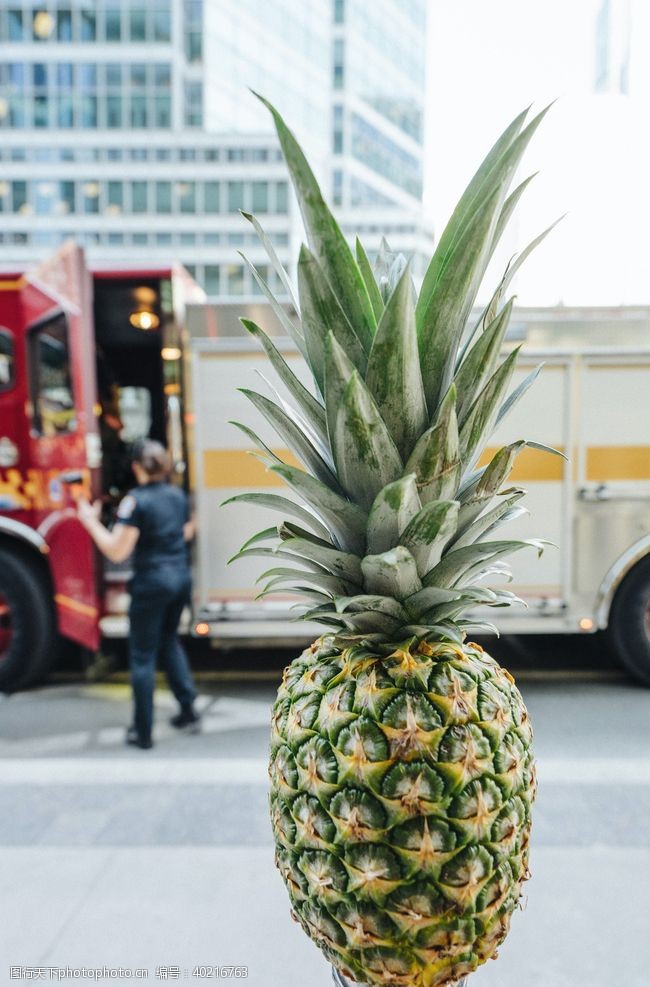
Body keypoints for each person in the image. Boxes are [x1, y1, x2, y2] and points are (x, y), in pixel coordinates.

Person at [77, 438, 199, 749]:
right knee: (169, 640)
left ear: (136, 468)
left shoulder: (135, 501)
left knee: (143, 656)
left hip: (152, 584)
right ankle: (188, 710)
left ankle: (142, 732)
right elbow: (187, 531)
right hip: (180, 580)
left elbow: (117, 552)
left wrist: (90, 522)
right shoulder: (176, 496)